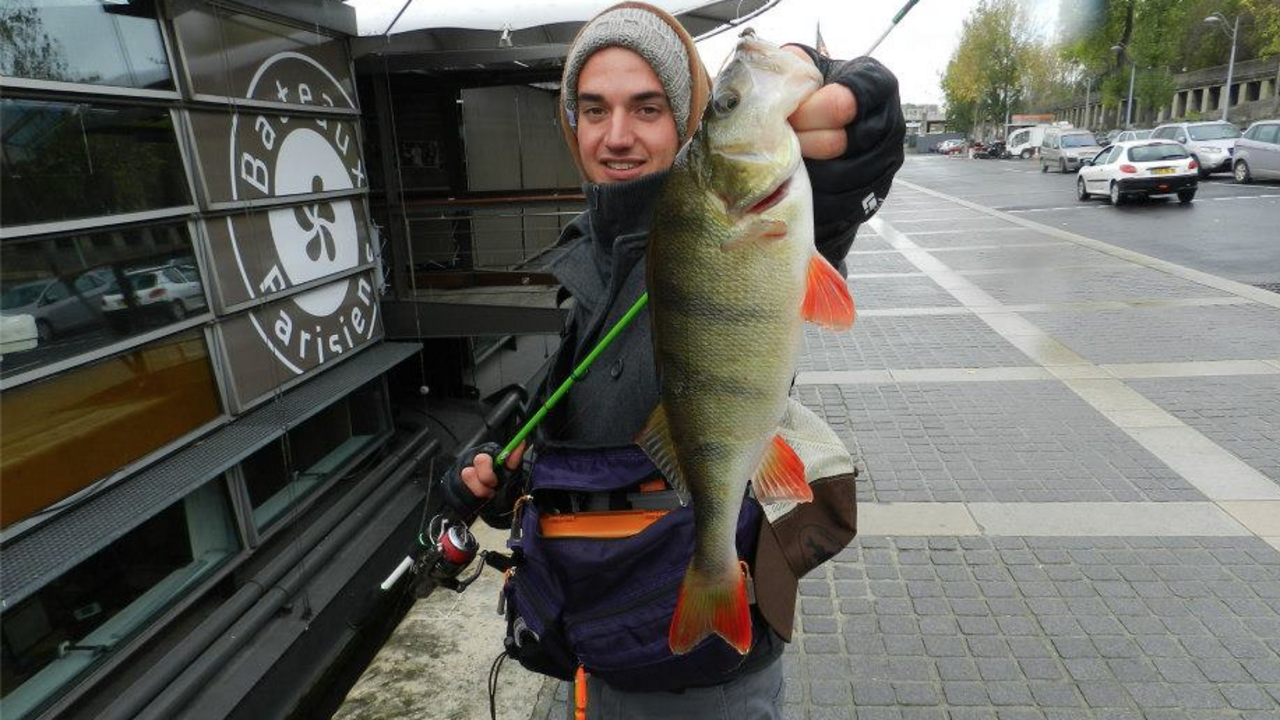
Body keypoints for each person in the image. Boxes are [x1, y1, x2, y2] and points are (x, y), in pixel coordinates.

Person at [440, 3, 905, 717]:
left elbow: (837, 186)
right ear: (573, 124)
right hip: (597, 651)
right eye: (594, 109)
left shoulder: (740, 207)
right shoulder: (588, 254)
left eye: (646, 108)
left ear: (688, 121)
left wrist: (859, 131)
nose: (616, 135)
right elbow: (593, 412)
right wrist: (507, 475)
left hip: (699, 687)